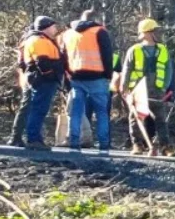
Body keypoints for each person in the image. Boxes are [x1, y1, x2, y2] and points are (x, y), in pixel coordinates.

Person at [119, 18, 175, 156]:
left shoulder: (162, 49)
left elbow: (168, 70)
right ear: (146, 33)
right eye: (154, 31)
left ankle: (165, 146)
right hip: (138, 90)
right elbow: (127, 69)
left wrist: (164, 88)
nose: (157, 33)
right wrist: (124, 87)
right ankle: (137, 144)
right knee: (136, 118)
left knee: (161, 119)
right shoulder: (134, 50)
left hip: (157, 90)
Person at [61, 14, 115, 153]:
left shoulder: (68, 34)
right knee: (102, 112)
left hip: (76, 77)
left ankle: (74, 144)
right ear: (95, 20)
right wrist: (108, 75)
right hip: (97, 77)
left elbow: (63, 56)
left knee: (76, 112)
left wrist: (69, 74)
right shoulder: (99, 32)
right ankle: (103, 145)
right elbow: (107, 55)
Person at [19, 16, 65, 150]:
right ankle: (33, 139)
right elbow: (42, 62)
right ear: (46, 27)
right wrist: (51, 75)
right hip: (43, 80)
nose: (55, 28)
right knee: (38, 109)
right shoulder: (39, 41)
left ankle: (35, 138)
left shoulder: (42, 40)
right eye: (53, 26)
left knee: (39, 109)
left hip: (43, 79)